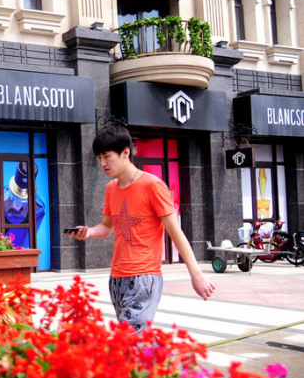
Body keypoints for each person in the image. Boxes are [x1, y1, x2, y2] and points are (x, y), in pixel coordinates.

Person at [68, 124, 214, 332]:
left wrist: (195, 273)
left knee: (130, 339)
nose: (102, 163)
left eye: (107, 156)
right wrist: (89, 231)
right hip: (117, 277)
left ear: (125, 152)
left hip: (144, 277)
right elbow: (107, 227)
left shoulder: (153, 185)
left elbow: (175, 231)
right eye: (99, 157)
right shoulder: (111, 188)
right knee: (131, 340)